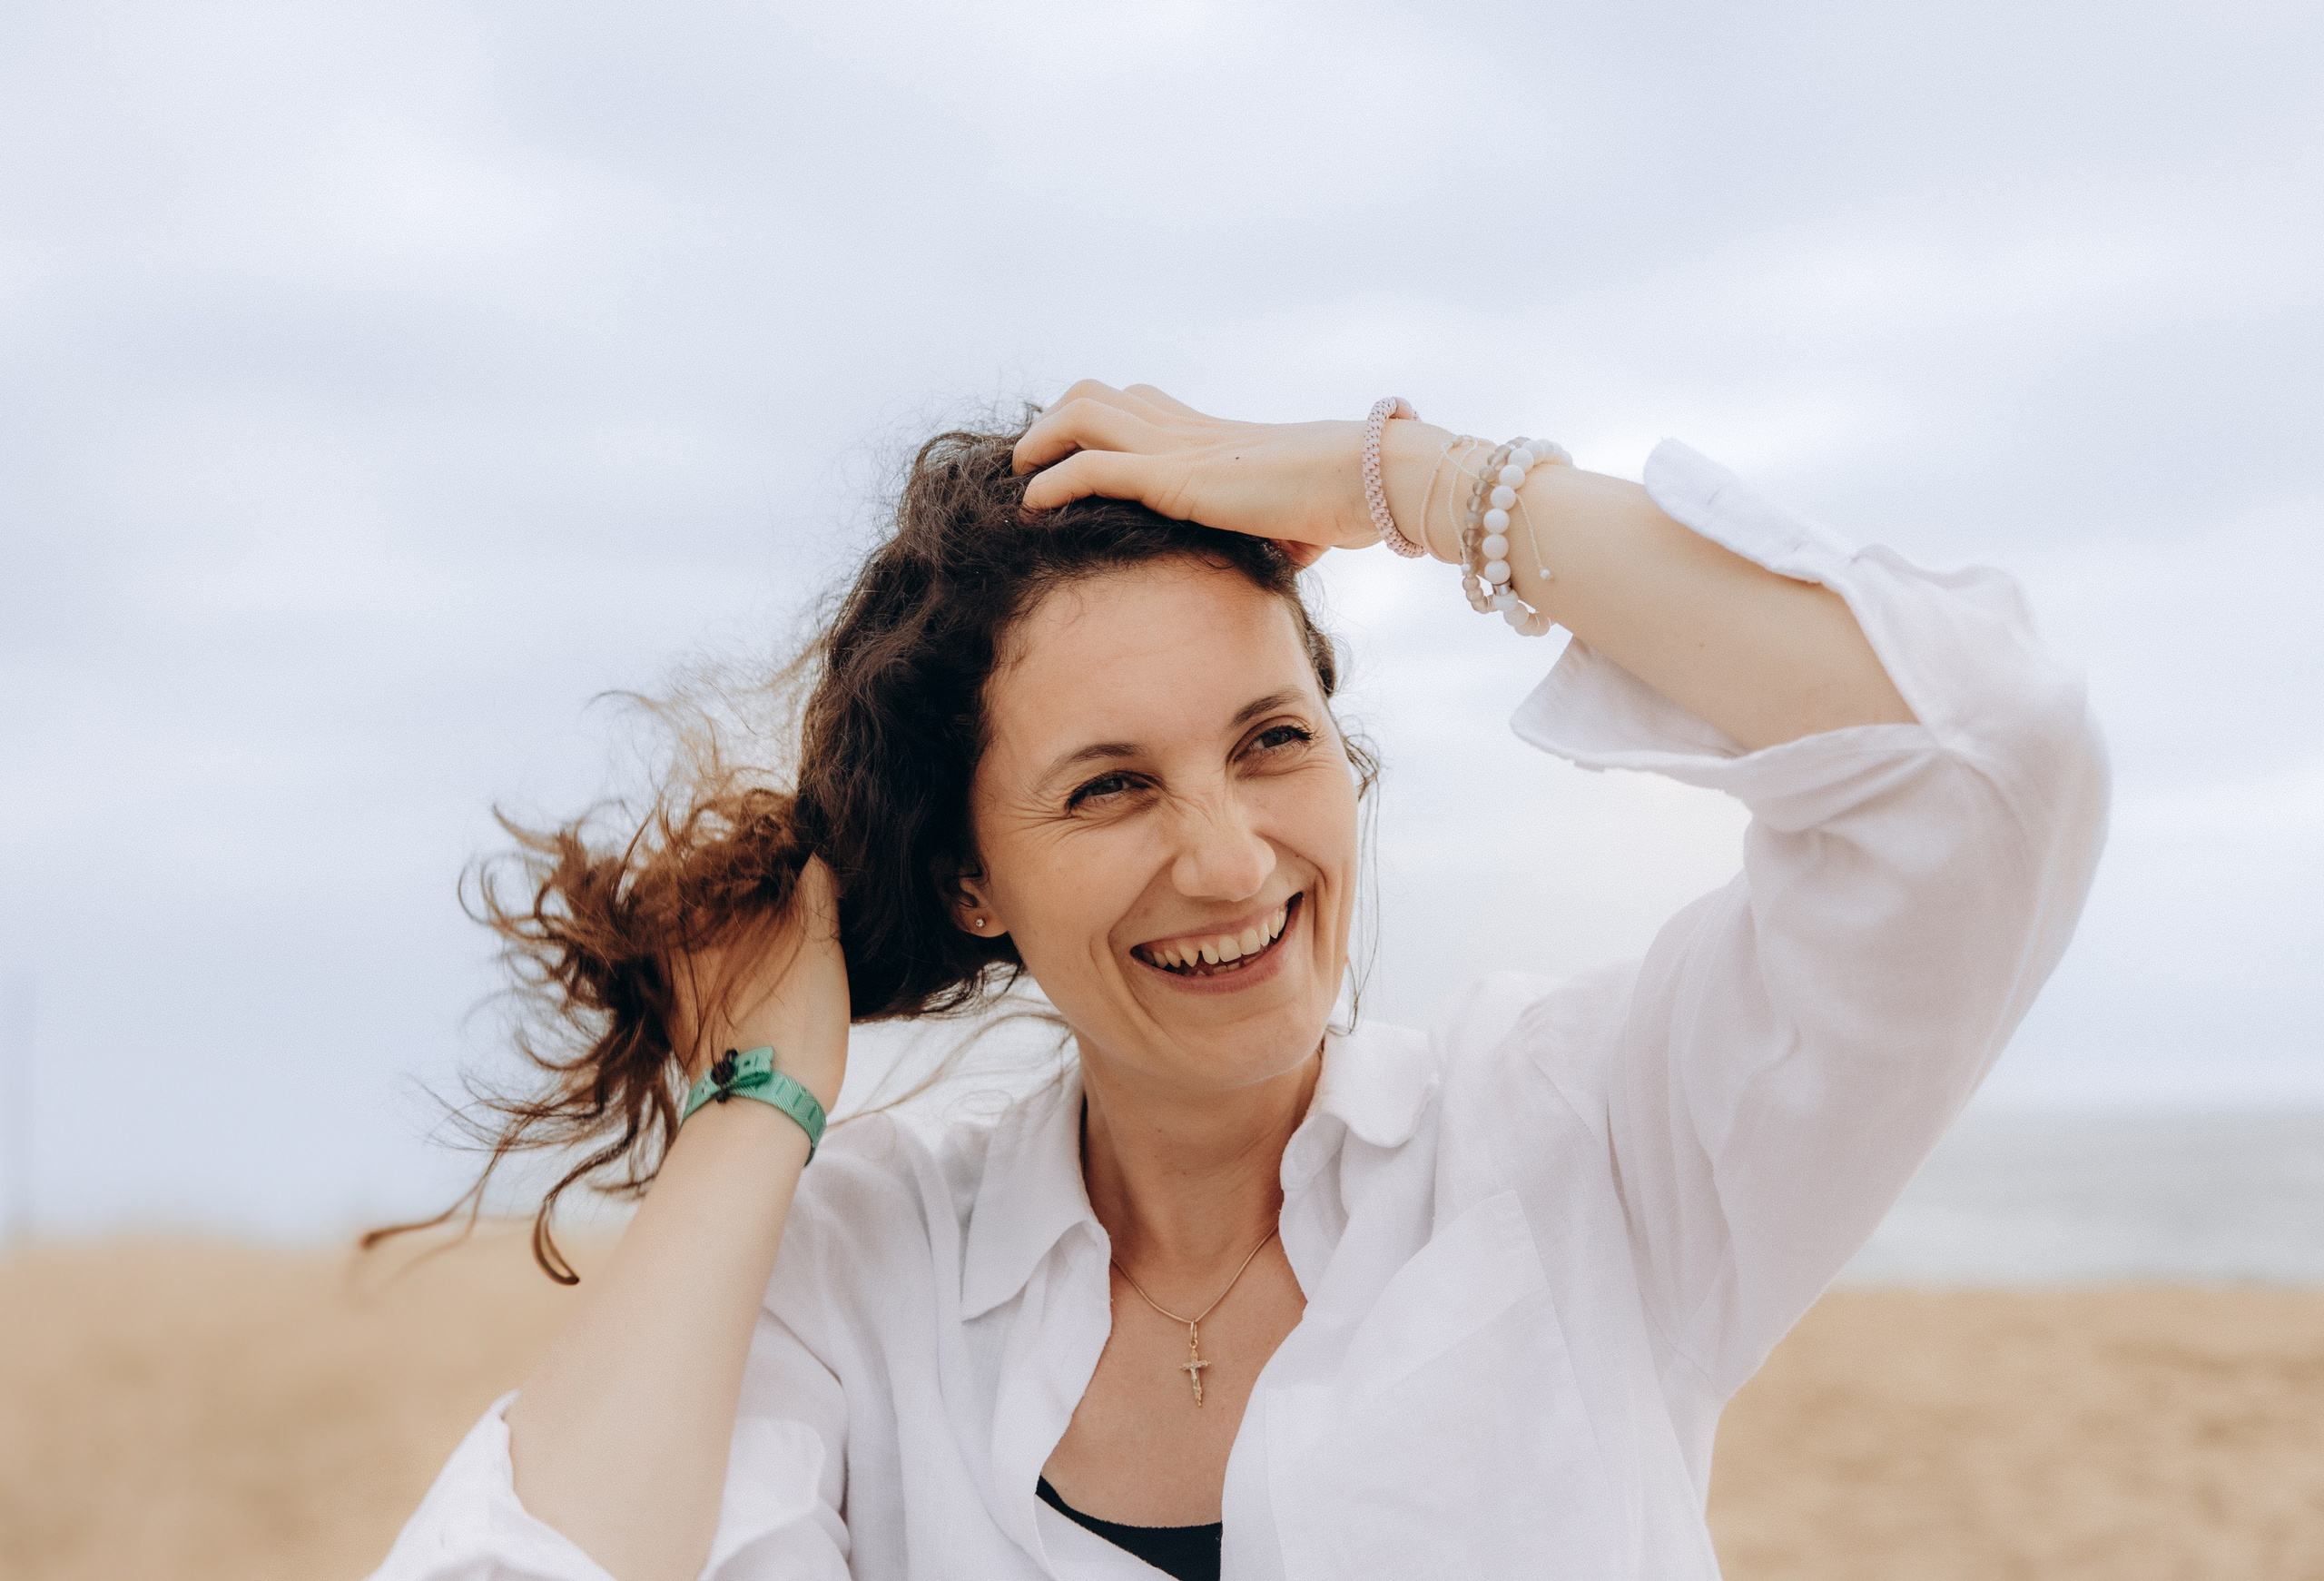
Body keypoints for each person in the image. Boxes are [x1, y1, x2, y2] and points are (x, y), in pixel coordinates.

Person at [371, 381, 2107, 1581]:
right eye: (1109, 784)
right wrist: (759, 1097)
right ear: (973, 874)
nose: (1226, 857)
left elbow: (1985, 755)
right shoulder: (865, 1268)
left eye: (1273, 742)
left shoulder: (1581, 1149)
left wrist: (1402, 480)